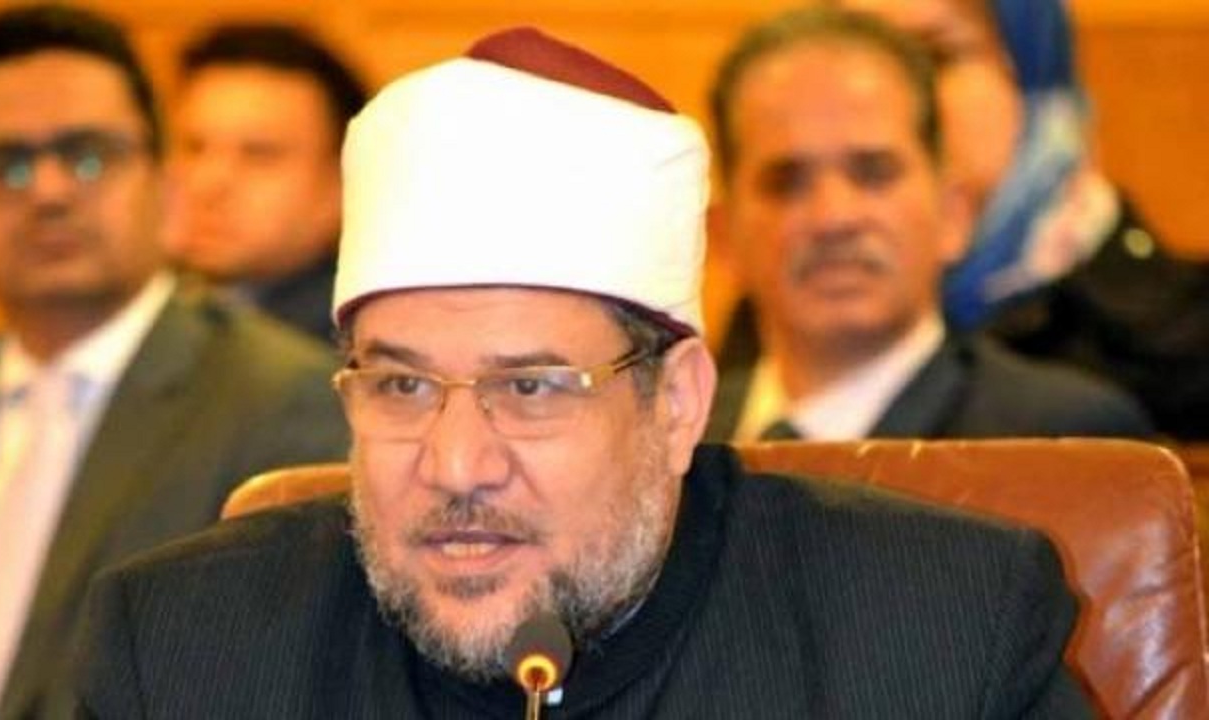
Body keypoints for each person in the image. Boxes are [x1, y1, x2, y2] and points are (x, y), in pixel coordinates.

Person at [73, 24, 1093, 717]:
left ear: (677, 404)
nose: (456, 466)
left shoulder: (943, 635)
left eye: (530, 387)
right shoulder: (182, 654)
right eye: (402, 386)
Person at [0, 5, 348, 718]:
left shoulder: (285, 402)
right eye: (7, 165)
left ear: (167, 187)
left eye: (89, 154)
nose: (50, 191)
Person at [703, 6, 1153, 442]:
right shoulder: (684, 441)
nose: (834, 217)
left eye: (875, 174)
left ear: (952, 214)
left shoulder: (1062, 435)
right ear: (723, 235)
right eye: (786, 184)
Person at [822, 0, 1209, 440]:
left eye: (935, 56)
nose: (893, 101)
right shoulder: (793, 322)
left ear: (1032, 70)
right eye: (863, 63)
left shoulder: (1184, 345)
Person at [167, 22, 368, 341]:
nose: (207, 183)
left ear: (341, 185)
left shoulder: (360, 343)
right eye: (194, 148)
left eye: (259, 154)